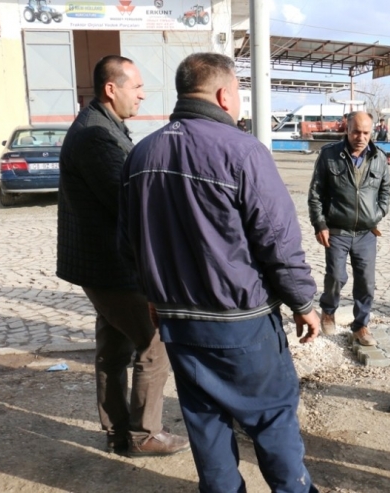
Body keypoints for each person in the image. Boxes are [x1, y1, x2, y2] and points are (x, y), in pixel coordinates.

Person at [118, 52, 320, 493]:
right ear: (225, 95)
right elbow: (278, 241)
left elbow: (128, 245)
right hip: (241, 325)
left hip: (180, 325)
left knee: (206, 426)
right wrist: (304, 302)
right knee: (271, 420)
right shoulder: (244, 151)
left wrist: (155, 297)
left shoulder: (141, 154)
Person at [56, 55, 190, 456]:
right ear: (111, 89)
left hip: (102, 265)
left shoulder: (104, 126)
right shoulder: (96, 135)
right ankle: (144, 433)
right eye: (137, 87)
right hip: (110, 267)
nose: (144, 95)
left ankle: (117, 433)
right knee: (154, 342)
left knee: (113, 349)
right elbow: (128, 202)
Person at [307, 111, 390, 346]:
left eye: (366, 132)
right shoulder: (329, 155)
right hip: (337, 231)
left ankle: (361, 325)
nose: (361, 137)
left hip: (366, 233)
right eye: (356, 131)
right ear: (347, 129)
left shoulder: (379, 158)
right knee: (335, 276)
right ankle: (328, 310)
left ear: (371, 132)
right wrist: (320, 223)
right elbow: (315, 193)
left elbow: (386, 191)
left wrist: (378, 213)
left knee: (366, 281)